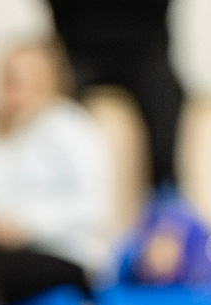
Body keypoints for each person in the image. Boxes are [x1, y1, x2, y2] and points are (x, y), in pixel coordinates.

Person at [0, 39, 115, 305]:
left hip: (56, 254)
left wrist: (24, 226)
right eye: (8, 76)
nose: (14, 84)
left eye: (23, 76)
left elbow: (93, 206)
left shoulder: (72, 129)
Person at [47, 0, 181, 190]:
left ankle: (167, 191)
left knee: (164, 104)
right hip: (78, 46)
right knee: (55, 111)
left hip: (144, 46)